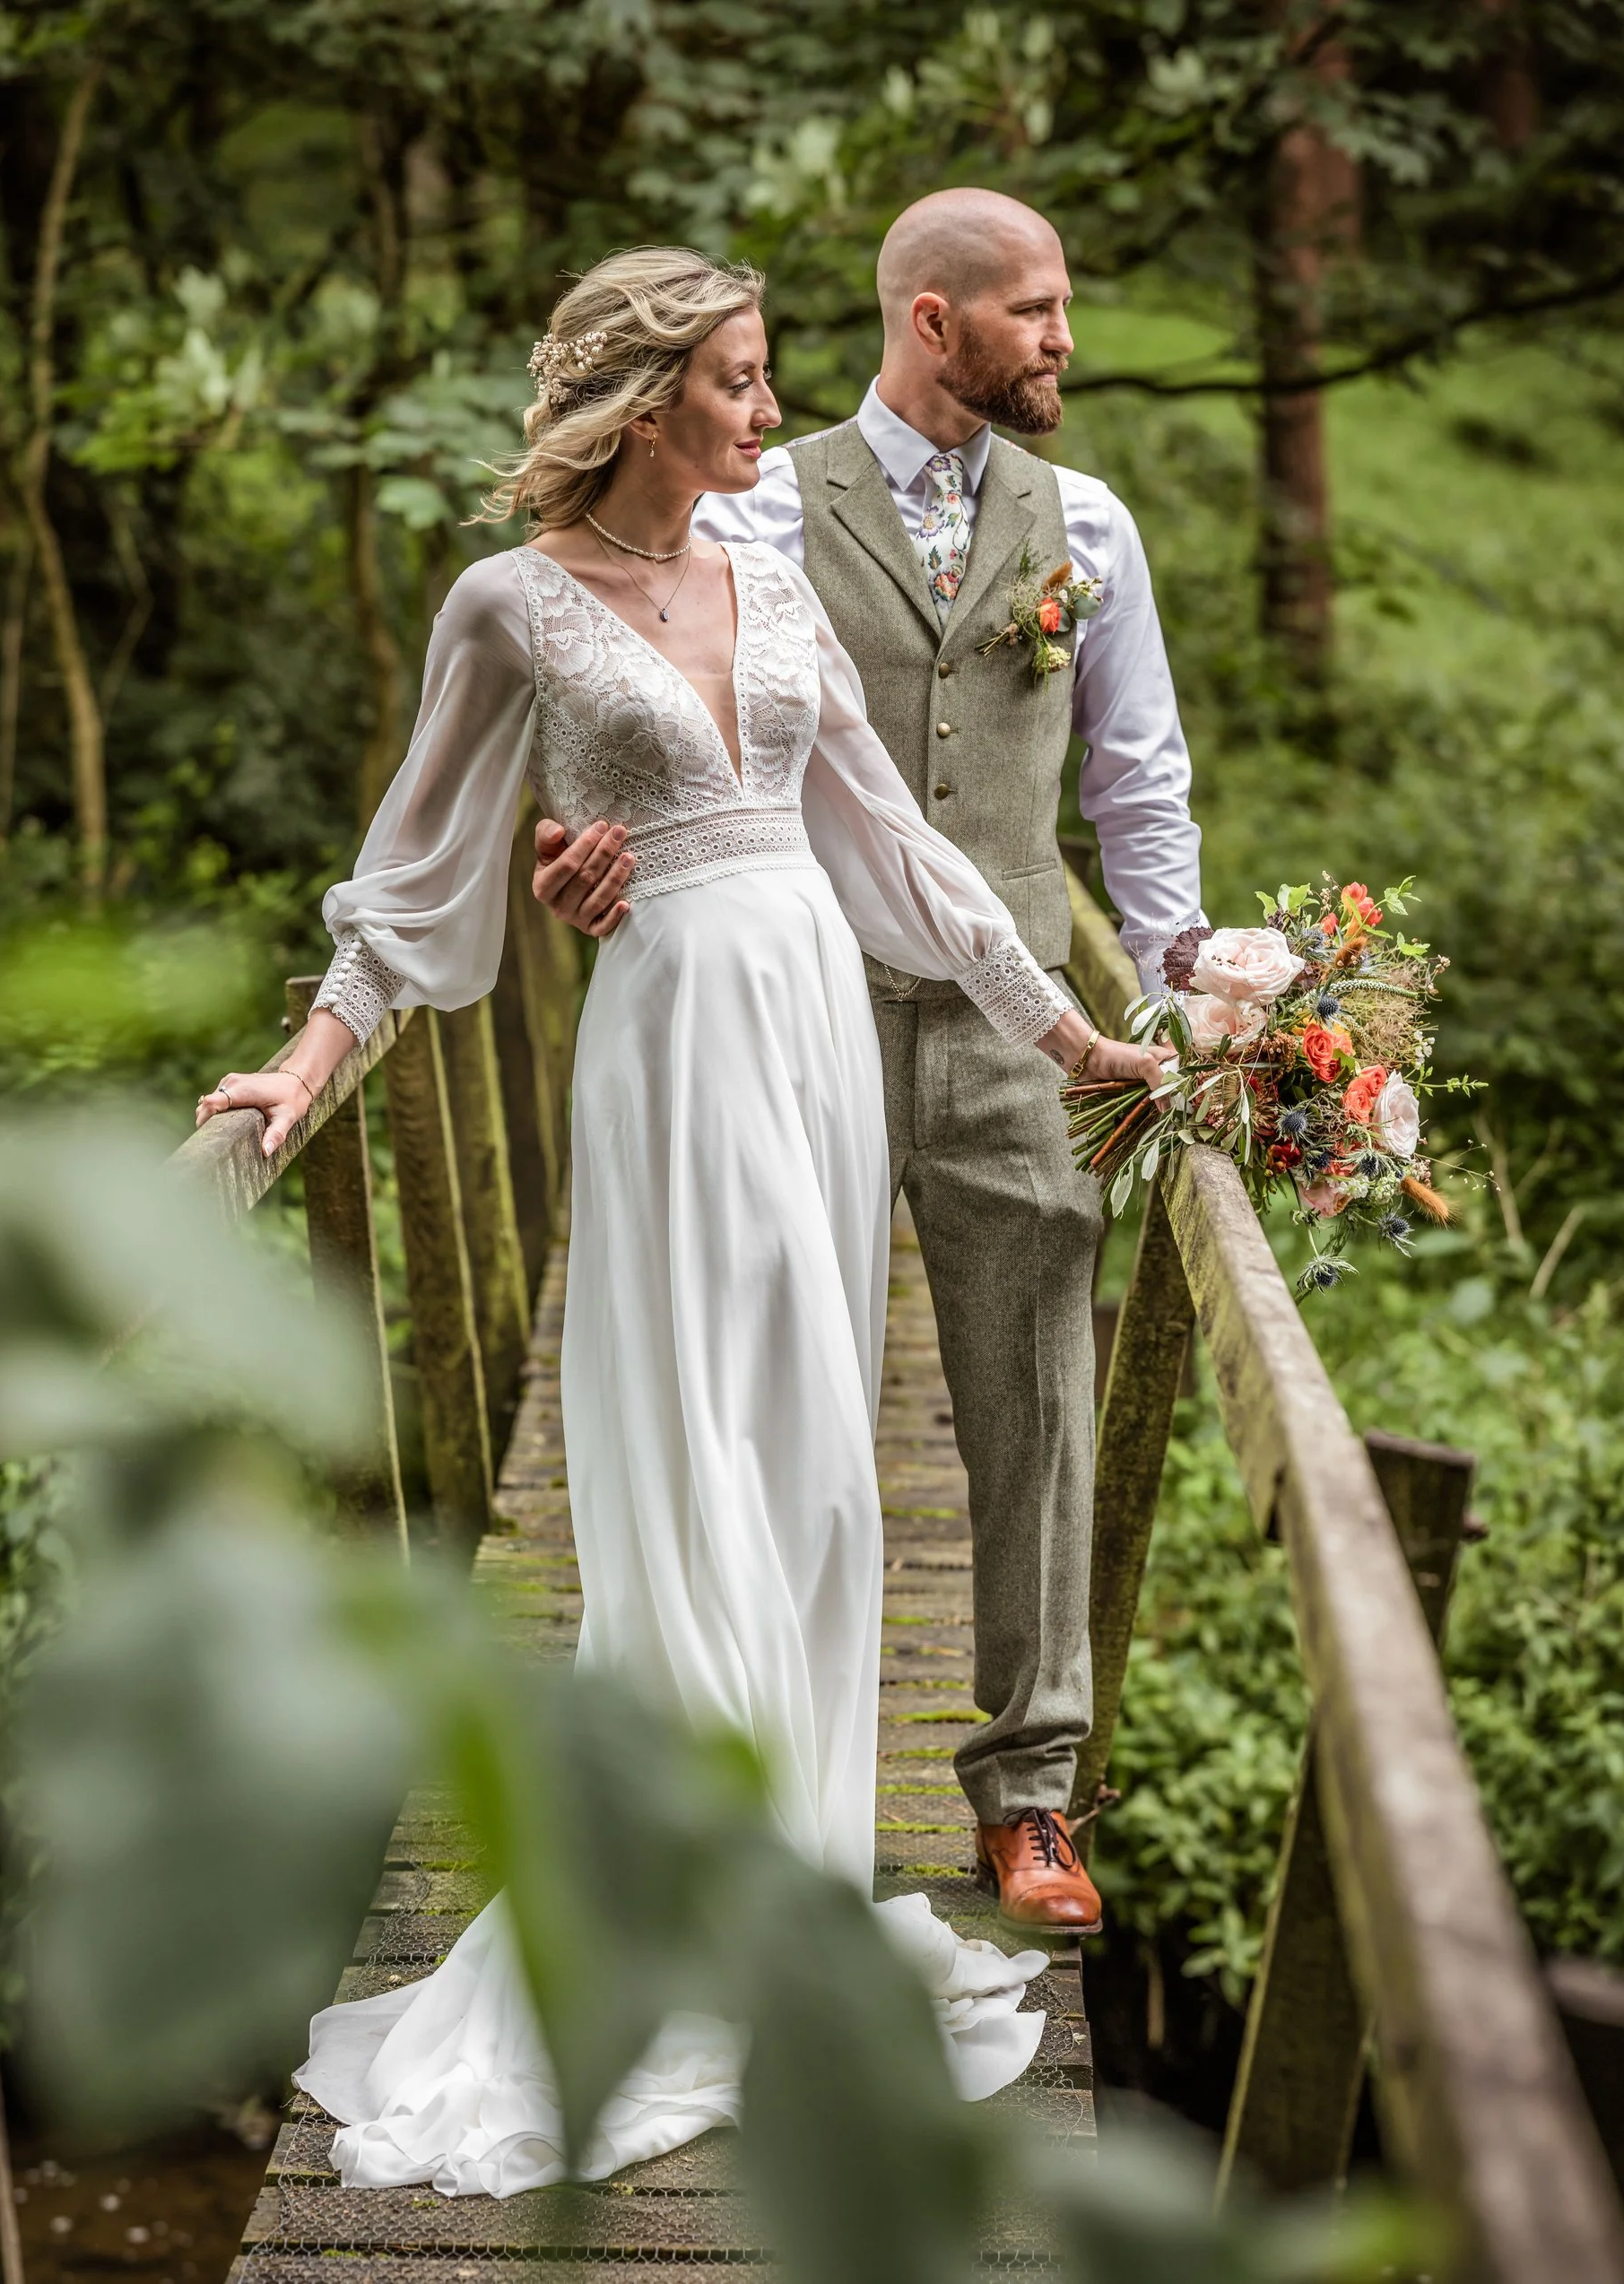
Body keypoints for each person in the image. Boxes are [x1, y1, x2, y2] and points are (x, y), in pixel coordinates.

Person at [195, 244, 1168, 2201]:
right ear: (643, 401)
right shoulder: (508, 609)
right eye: (735, 377)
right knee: (687, 1463)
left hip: (807, 1023)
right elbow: (406, 881)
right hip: (666, 1053)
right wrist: (298, 1073)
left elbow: (889, 839)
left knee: (815, 1470)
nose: (763, 406)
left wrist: (1068, 1028)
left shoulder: (772, 562)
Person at [532, 191, 1206, 1938]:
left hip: (1009, 1019)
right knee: (777, 1390)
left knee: (1034, 1382)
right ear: (930, 318)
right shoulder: (753, 493)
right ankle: (738, 1781)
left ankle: (1031, 1792)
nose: (1064, 338)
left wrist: (1183, 993)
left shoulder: (1092, 529)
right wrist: (590, 838)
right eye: (1035, 309)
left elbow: (1133, 786)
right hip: (793, 1004)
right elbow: (644, 678)